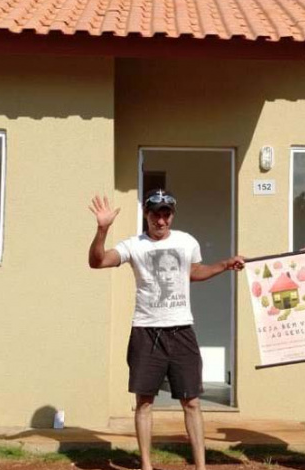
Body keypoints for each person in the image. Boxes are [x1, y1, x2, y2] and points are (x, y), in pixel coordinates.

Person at [88, 189, 245, 470]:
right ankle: (146, 465)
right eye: (155, 214)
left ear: (172, 215)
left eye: (166, 214)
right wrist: (102, 230)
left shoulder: (187, 242)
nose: (161, 220)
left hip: (182, 330)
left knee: (192, 402)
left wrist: (224, 264)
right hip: (146, 331)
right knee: (144, 402)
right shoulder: (133, 245)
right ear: (146, 214)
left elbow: (193, 273)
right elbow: (97, 261)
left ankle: (201, 467)